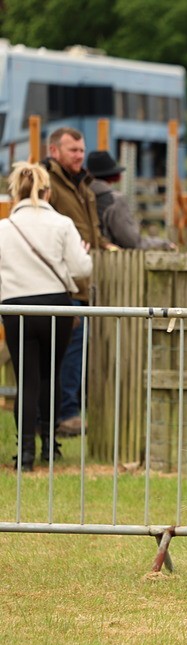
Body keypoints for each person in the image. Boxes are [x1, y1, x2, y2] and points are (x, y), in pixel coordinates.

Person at [0, 162, 94, 467]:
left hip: (17, 308)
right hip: (55, 305)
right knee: (50, 375)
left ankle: (25, 453)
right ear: (48, 192)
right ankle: (49, 448)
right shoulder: (63, 224)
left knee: (26, 379)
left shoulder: (4, 227)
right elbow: (82, 269)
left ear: (16, 192)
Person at [42, 127, 114, 438]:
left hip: (83, 281)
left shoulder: (82, 185)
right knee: (67, 354)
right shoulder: (49, 185)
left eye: (81, 150)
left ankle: (61, 412)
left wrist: (105, 246)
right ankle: (66, 414)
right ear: (54, 150)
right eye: (73, 150)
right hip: (63, 282)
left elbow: (91, 231)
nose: (79, 156)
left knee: (72, 352)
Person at [85, 151, 175, 250]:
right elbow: (131, 241)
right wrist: (163, 244)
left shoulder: (79, 195)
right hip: (112, 259)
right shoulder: (115, 201)